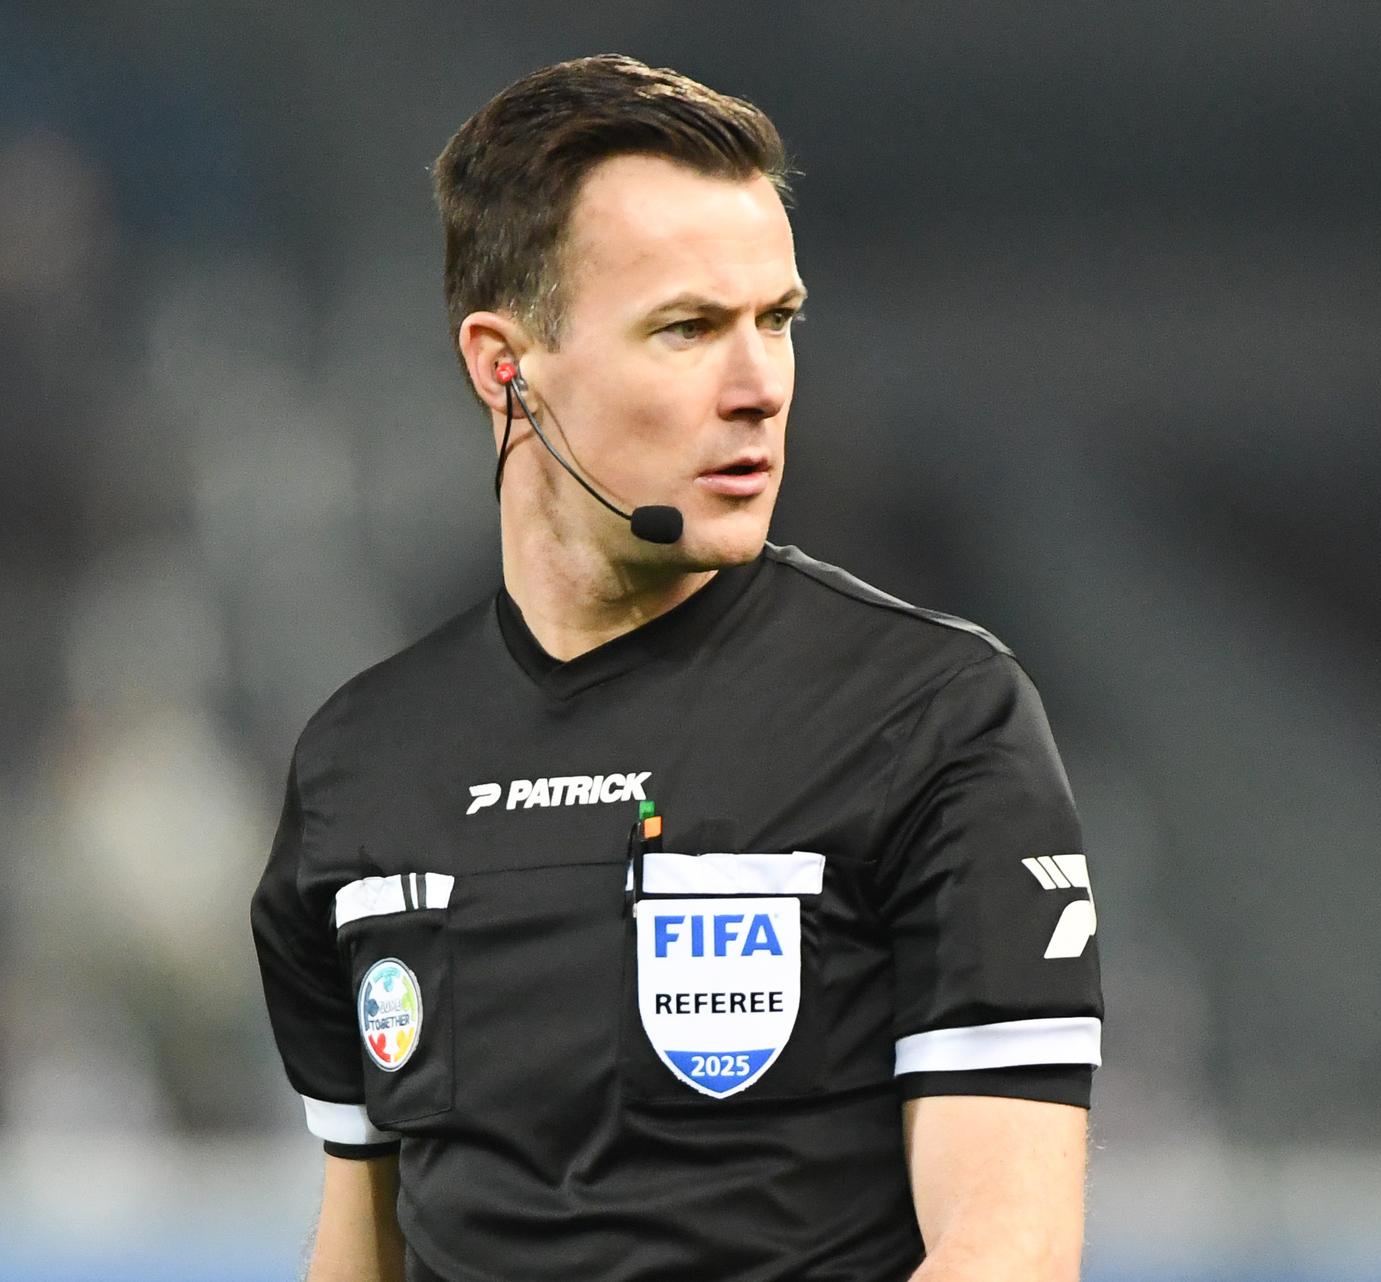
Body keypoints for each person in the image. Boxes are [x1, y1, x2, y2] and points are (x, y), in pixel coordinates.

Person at [249, 55, 1103, 1282]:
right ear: (506, 367)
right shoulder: (358, 765)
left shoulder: (932, 720)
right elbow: (364, 1247)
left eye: (779, 321)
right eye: (689, 329)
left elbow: (1007, 1251)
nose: (759, 387)